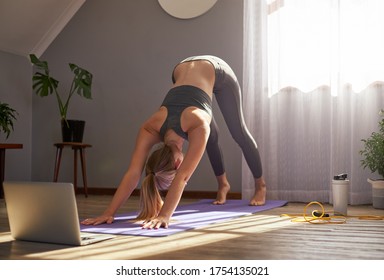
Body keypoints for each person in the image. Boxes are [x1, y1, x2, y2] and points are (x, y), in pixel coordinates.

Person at [81, 55, 266, 229]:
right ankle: (224, 184)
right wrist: (108, 213)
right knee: (208, 137)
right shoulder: (150, 127)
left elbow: (182, 177)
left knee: (238, 132)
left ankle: (260, 186)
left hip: (214, 68)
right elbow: (133, 173)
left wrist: (164, 215)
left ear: (178, 163)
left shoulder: (196, 123)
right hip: (180, 69)